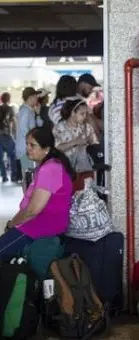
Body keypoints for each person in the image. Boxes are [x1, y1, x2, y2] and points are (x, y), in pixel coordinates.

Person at [0, 127, 73, 261]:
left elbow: (32, 211)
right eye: (27, 144)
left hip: (40, 226)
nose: (28, 148)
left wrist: (11, 225)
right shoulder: (49, 166)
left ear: (46, 149)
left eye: (33, 145)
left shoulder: (49, 169)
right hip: (39, 224)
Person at [53, 99, 99, 191]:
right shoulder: (59, 128)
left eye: (86, 113)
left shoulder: (87, 127)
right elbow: (55, 148)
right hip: (65, 170)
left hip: (84, 171)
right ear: (72, 113)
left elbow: (95, 145)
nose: (85, 116)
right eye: (82, 114)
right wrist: (75, 142)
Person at [16, 87, 40, 179]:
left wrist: (37, 114)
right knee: (27, 175)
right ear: (30, 97)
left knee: (29, 174)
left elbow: (37, 125)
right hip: (25, 148)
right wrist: (33, 142)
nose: (37, 99)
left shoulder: (30, 110)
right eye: (36, 97)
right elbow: (24, 129)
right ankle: (27, 193)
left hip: (28, 147)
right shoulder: (25, 111)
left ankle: (28, 193)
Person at [0, 100, 17, 182]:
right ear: (9, 99)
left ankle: (4, 176)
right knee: (12, 156)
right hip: (7, 135)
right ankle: (13, 176)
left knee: (0, 158)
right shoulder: (10, 109)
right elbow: (13, 122)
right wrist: (14, 133)